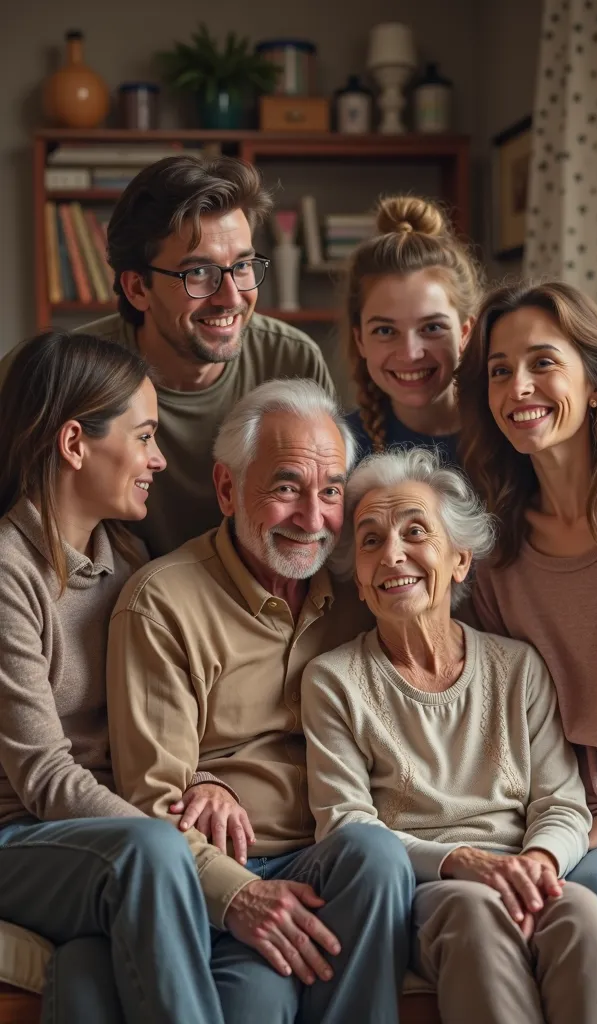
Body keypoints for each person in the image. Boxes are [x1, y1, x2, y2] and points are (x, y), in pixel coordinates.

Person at [106, 379, 415, 1024]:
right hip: (231, 868)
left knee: (378, 854)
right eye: (284, 488)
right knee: (257, 1002)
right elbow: (151, 805)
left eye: (331, 491)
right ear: (226, 489)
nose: (311, 517)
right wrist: (242, 893)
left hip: (336, 857)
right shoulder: (162, 603)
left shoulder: (365, 590)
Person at [301, 448, 597, 1024]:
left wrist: (538, 864)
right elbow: (346, 827)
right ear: (361, 583)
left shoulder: (517, 667)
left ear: (459, 561)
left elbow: (562, 801)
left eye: (416, 531)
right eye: (370, 540)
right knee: (476, 915)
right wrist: (464, 863)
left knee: (583, 917)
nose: (392, 553)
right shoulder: (334, 681)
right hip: (430, 886)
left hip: (522, 866)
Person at [457, 280, 597, 1024]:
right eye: (498, 369)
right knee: (583, 909)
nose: (518, 387)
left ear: (593, 383)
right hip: (584, 816)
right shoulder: (493, 554)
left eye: (542, 362)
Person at [0, 331, 230, 1024]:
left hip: (103, 841)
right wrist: (168, 840)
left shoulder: (128, 559)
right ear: (75, 444)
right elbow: (42, 777)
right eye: (145, 436)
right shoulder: (10, 572)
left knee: (88, 973)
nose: (159, 459)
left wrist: (204, 780)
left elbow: (176, 710)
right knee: (150, 855)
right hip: (21, 838)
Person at [0, 156, 334, 557]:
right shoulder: (66, 377)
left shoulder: (293, 361)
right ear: (137, 287)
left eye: (242, 266)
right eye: (198, 273)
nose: (231, 297)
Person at [343, 194, 482, 465]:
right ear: (359, 339)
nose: (409, 353)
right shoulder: (338, 447)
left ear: (465, 333)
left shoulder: (511, 435)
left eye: (431, 327)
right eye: (385, 331)